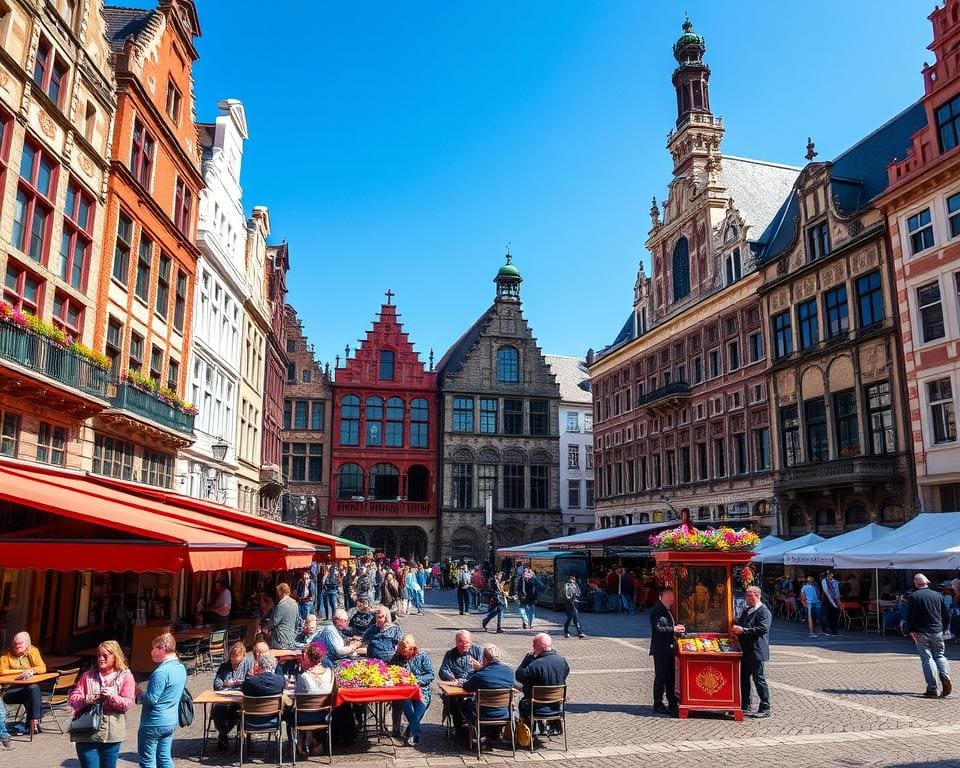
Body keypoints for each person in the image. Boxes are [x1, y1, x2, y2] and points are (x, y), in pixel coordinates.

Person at [68, 640, 136, 768]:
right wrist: (84, 699)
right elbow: (72, 698)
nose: (101, 659)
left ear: (115, 656)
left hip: (112, 732)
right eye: (99, 655)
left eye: (105, 656)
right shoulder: (88, 675)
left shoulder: (126, 676)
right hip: (86, 729)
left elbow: (127, 703)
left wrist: (112, 696)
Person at [136, 632, 186, 768]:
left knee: (147, 761)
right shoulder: (180, 668)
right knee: (164, 758)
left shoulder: (161, 672)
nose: (151, 652)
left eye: (154, 648)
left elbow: (152, 699)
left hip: (154, 722)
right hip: (170, 720)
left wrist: (138, 694)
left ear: (162, 648)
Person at [905, 573, 952, 698]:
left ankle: (932, 688)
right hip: (937, 630)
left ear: (916, 583)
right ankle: (945, 675)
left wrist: (912, 630)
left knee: (927, 658)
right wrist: (944, 627)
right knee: (939, 655)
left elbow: (911, 615)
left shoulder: (913, 596)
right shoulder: (938, 595)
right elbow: (946, 614)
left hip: (921, 631)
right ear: (927, 582)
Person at [515, 633, 569, 736]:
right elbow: (565, 674)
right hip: (557, 705)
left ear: (539, 646)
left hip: (537, 706)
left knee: (523, 703)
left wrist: (526, 661)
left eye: (534, 644)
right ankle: (554, 725)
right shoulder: (562, 661)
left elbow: (519, 676)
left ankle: (529, 733)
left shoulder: (535, 665)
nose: (532, 647)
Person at [732, 585, 773, 718]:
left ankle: (765, 707)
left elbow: (762, 629)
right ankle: (745, 704)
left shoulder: (763, 611)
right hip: (745, 650)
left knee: (758, 679)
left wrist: (743, 630)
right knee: (744, 678)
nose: (747, 599)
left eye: (750, 596)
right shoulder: (747, 610)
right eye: (746, 596)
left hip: (756, 650)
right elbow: (740, 622)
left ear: (757, 595)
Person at [461, 645, 514, 745]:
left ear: (484, 659)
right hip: (504, 712)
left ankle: (479, 733)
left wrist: (480, 669)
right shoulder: (509, 672)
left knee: (466, 703)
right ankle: (494, 733)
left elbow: (467, 687)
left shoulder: (481, 675)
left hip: (484, 714)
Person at [288, 643, 335, 758]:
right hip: (325, 714)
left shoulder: (305, 676)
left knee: (288, 714)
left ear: (308, 658)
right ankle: (314, 741)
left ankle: (298, 744)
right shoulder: (330, 672)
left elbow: (297, 695)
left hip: (307, 716)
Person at [388, 634, 434, 745]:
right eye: (401, 649)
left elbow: (430, 674)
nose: (403, 653)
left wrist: (416, 680)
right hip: (404, 691)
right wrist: (399, 678)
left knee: (420, 707)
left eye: (406, 650)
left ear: (412, 649)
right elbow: (389, 672)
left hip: (421, 689)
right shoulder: (397, 657)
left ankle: (410, 731)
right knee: (406, 702)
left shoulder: (422, 655)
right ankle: (413, 734)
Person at [0, 632, 46, 735]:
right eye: (15, 643)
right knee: (34, 693)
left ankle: (33, 722)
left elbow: (42, 668)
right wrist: (20, 672)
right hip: (9, 691)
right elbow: (2, 671)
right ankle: (34, 723)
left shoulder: (33, 651)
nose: (17, 646)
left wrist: (32, 671)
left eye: (20, 643)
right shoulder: (6, 655)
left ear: (28, 644)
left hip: (27, 690)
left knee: (34, 689)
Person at [211, 641, 253, 750]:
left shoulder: (249, 664)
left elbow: (252, 682)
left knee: (234, 710)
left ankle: (226, 735)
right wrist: (225, 684)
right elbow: (217, 684)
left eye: (236, 658)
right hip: (226, 697)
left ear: (243, 656)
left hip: (241, 699)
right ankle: (223, 735)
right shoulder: (225, 666)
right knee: (218, 709)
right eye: (232, 658)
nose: (233, 661)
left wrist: (239, 683)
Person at [438, 631, 484, 730]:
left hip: (473, 685)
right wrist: (452, 678)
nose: (463, 645)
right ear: (456, 642)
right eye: (460, 642)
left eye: (466, 642)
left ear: (470, 641)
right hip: (457, 687)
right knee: (453, 701)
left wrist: (479, 667)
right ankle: (458, 729)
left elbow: (484, 668)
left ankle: (476, 727)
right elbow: (443, 671)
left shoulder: (477, 651)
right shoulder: (451, 654)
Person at [649, 587, 684, 715]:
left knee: (670, 677)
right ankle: (657, 703)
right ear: (663, 596)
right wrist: (673, 629)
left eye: (673, 597)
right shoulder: (656, 610)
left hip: (669, 649)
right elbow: (658, 629)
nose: (672, 599)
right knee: (661, 677)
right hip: (661, 650)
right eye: (670, 596)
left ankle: (671, 701)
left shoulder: (668, 610)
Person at [268, 583, 299, 650]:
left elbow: (274, 621)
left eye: (278, 592)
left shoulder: (282, 604)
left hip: (280, 638)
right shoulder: (295, 604)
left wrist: (266, 628)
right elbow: (297, 622)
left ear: (280, 592)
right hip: (290, 637)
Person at [563, 575, 587, 639]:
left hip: (574, 602)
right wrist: (570, 596)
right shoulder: (567, 585)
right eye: (571, 578)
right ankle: (578, 632)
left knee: (573, 618)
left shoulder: (575, 585)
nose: (572, 580)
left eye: (573, 579)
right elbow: (566, 594)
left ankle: (569, 632)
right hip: (569, 603)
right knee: (572, 617)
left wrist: (575, 594)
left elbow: (579, 593)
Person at [820, 571, 841, 636]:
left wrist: (838, 600)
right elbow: (826, 591)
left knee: (834, 615)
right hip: (827, 599)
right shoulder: (824, 581)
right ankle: (827, 629)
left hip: (834, 600)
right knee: (826, 615)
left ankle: (834, 630)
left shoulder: (835, 581)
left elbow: (837, 591)